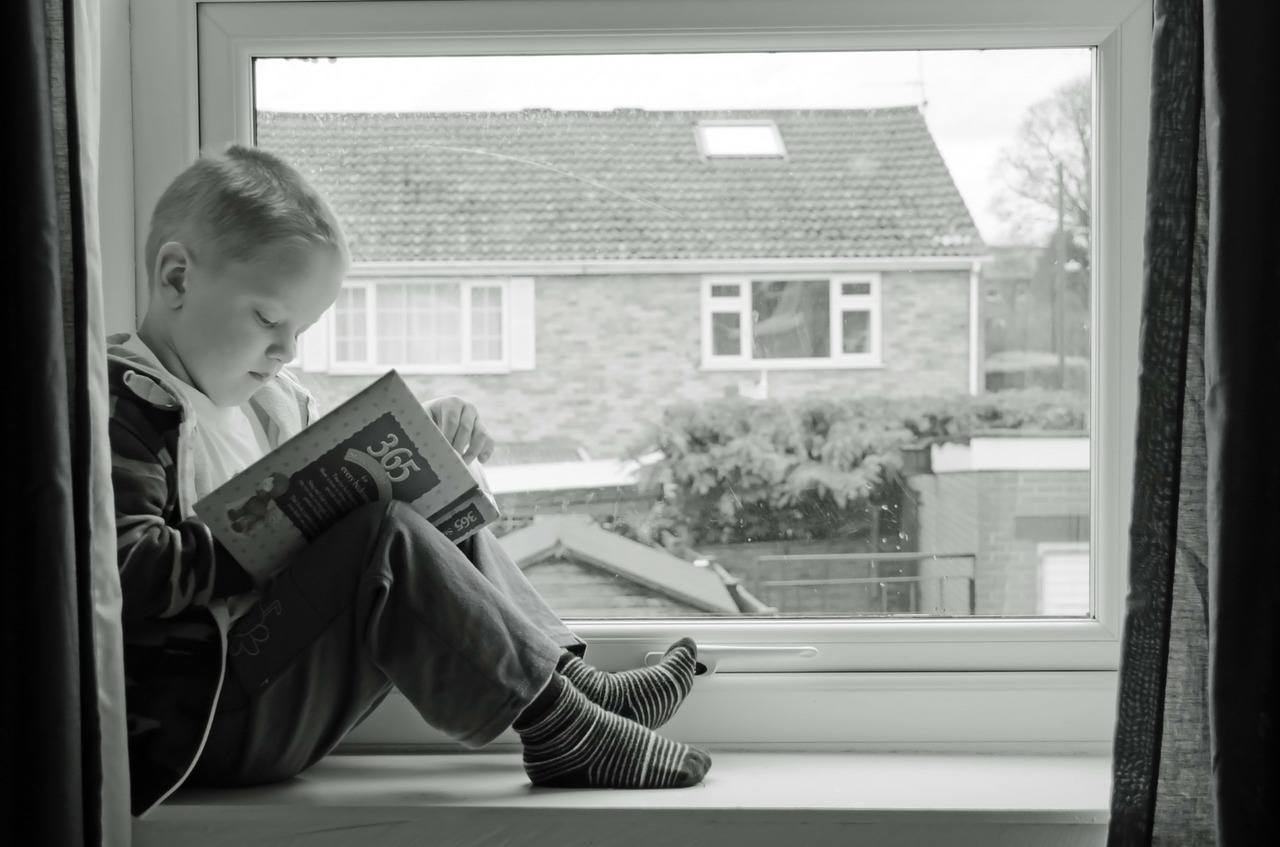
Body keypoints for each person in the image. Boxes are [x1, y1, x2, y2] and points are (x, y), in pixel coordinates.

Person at [109, 145, 711, 818]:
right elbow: (128, 571)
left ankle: (576, 689)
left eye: (301, 330)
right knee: (382, 534)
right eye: (268, 319)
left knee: (411, 507)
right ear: (176, 279)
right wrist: (276, 532)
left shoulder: (270, 402)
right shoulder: (124, 402)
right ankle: (562, 730)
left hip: (270, 680)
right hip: (207, 720)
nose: (286, 351)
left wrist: (423, 439)